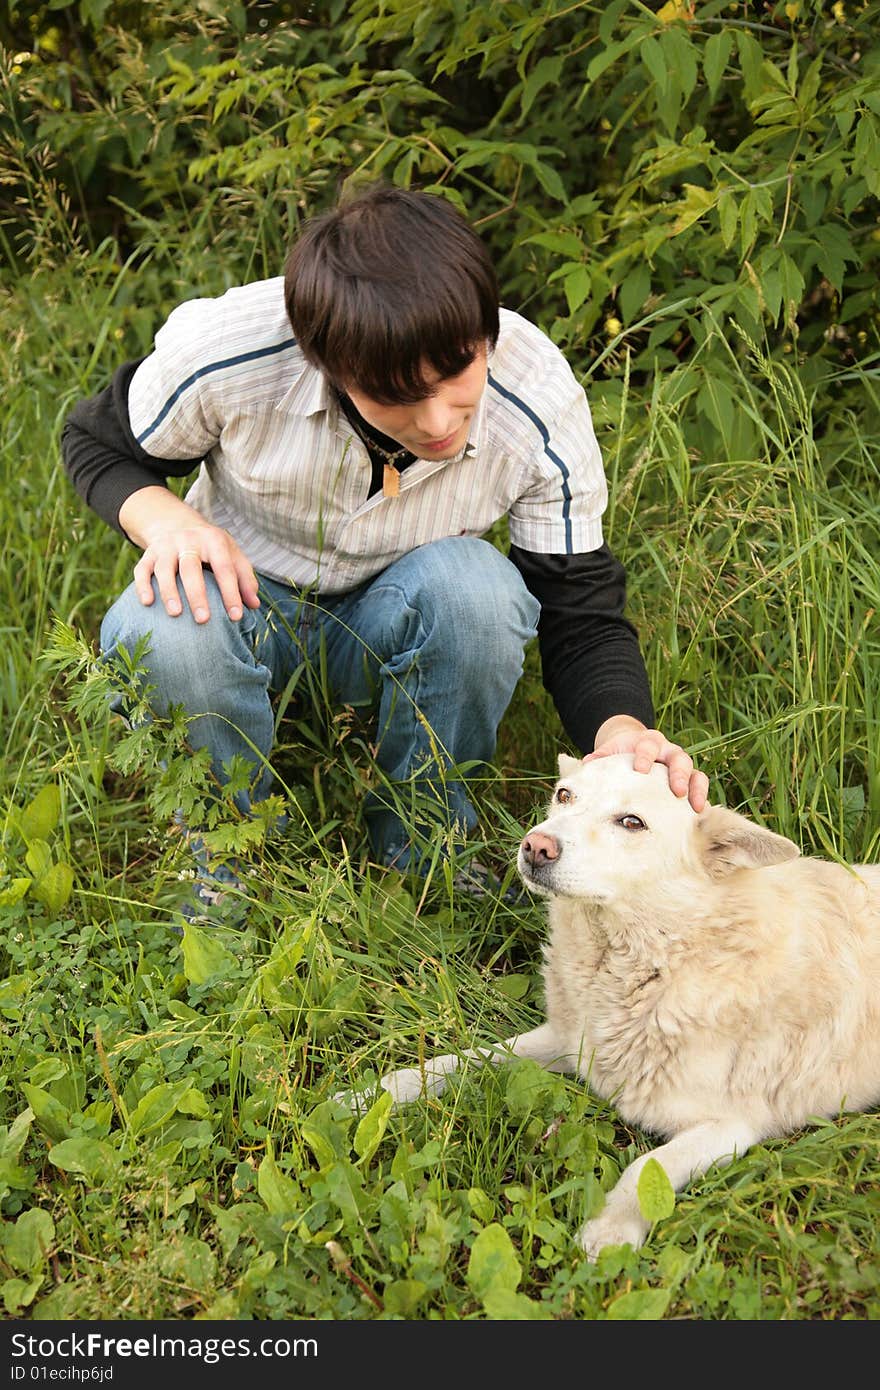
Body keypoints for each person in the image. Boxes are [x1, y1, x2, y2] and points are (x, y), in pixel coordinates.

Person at [61, 183, 707, 923]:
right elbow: (94, 440)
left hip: (399, 611)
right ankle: (222, 856)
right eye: (397, 394)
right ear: (327, 363)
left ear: (485, 330)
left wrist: (621, 734)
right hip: (242, 602)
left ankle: (427, 848)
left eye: (459, 376)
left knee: (479, 591)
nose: (438, 420)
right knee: (162, 628)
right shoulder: (232, 351)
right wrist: (168, 522)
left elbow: (577, 606)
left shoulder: (539, 396)